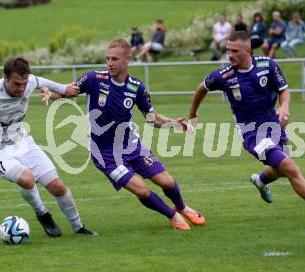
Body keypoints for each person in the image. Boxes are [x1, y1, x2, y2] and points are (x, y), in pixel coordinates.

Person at [43, 39, 205, 230]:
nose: (110, 63)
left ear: (127, 59)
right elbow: (68, 91)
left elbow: (151, 118)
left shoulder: (136, 87)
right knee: (142, 191)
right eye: (107, 59)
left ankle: (182, 207)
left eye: (114, 59)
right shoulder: (94, 79)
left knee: (167, 182)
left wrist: (173, 124)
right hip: (105, 153)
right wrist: (50, 93)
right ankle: (173, 216)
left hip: (131, 145)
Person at [189, 31, 305, 226]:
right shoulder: (223, 75)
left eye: (234, 51)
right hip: (251, 133)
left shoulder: (267, 65)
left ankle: (260, 181)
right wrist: (193, 113)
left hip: (274, 126)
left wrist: (284, 107)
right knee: (290, 168)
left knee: (279, 170)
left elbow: (284, 90)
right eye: (228, 50)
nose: (229, 54)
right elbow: (201, 88)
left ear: (248, 51)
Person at [0, 57, 98, 237]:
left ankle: (79, 228)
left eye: (24, 83)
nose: (21, 88)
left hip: (22, 142)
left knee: (57, 186)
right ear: (5, 78)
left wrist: (63, 89)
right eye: (16, 84)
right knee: (27, 179)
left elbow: (40, 81)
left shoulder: (29, 82)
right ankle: (42, 213)